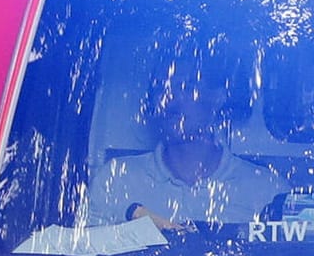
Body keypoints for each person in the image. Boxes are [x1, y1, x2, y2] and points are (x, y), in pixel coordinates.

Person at [85, 36, 286, 231]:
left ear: (217, 98)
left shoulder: (267, 189)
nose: (169, 99)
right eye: (161, 88)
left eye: (186, 87)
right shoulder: (117, 179)